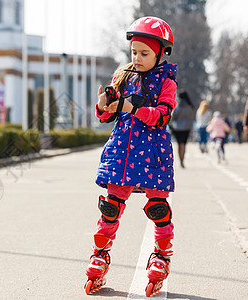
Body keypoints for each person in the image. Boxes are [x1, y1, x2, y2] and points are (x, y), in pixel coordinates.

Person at [84, 16, 177, 296]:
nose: (137, 57)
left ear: (160, 53)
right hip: (121, 153)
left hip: (153, 156)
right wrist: (104, 106)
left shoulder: (166, 83)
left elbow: (162, 116)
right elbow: (107, 115)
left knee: (158, 208)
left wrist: (132, 108)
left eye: (144, 53)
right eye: (134, 52)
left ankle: (161, 256)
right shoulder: (122, 76)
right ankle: (100, 254)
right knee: (110, 207)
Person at [170, 90, 195, 168]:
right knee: (184, 144)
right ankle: (182, 160)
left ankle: (180, 160)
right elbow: (191, 117)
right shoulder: (190, 106)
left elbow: (173, 117)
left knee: (179, 144)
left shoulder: (178, 106)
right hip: (187, 128)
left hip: (178, 128)